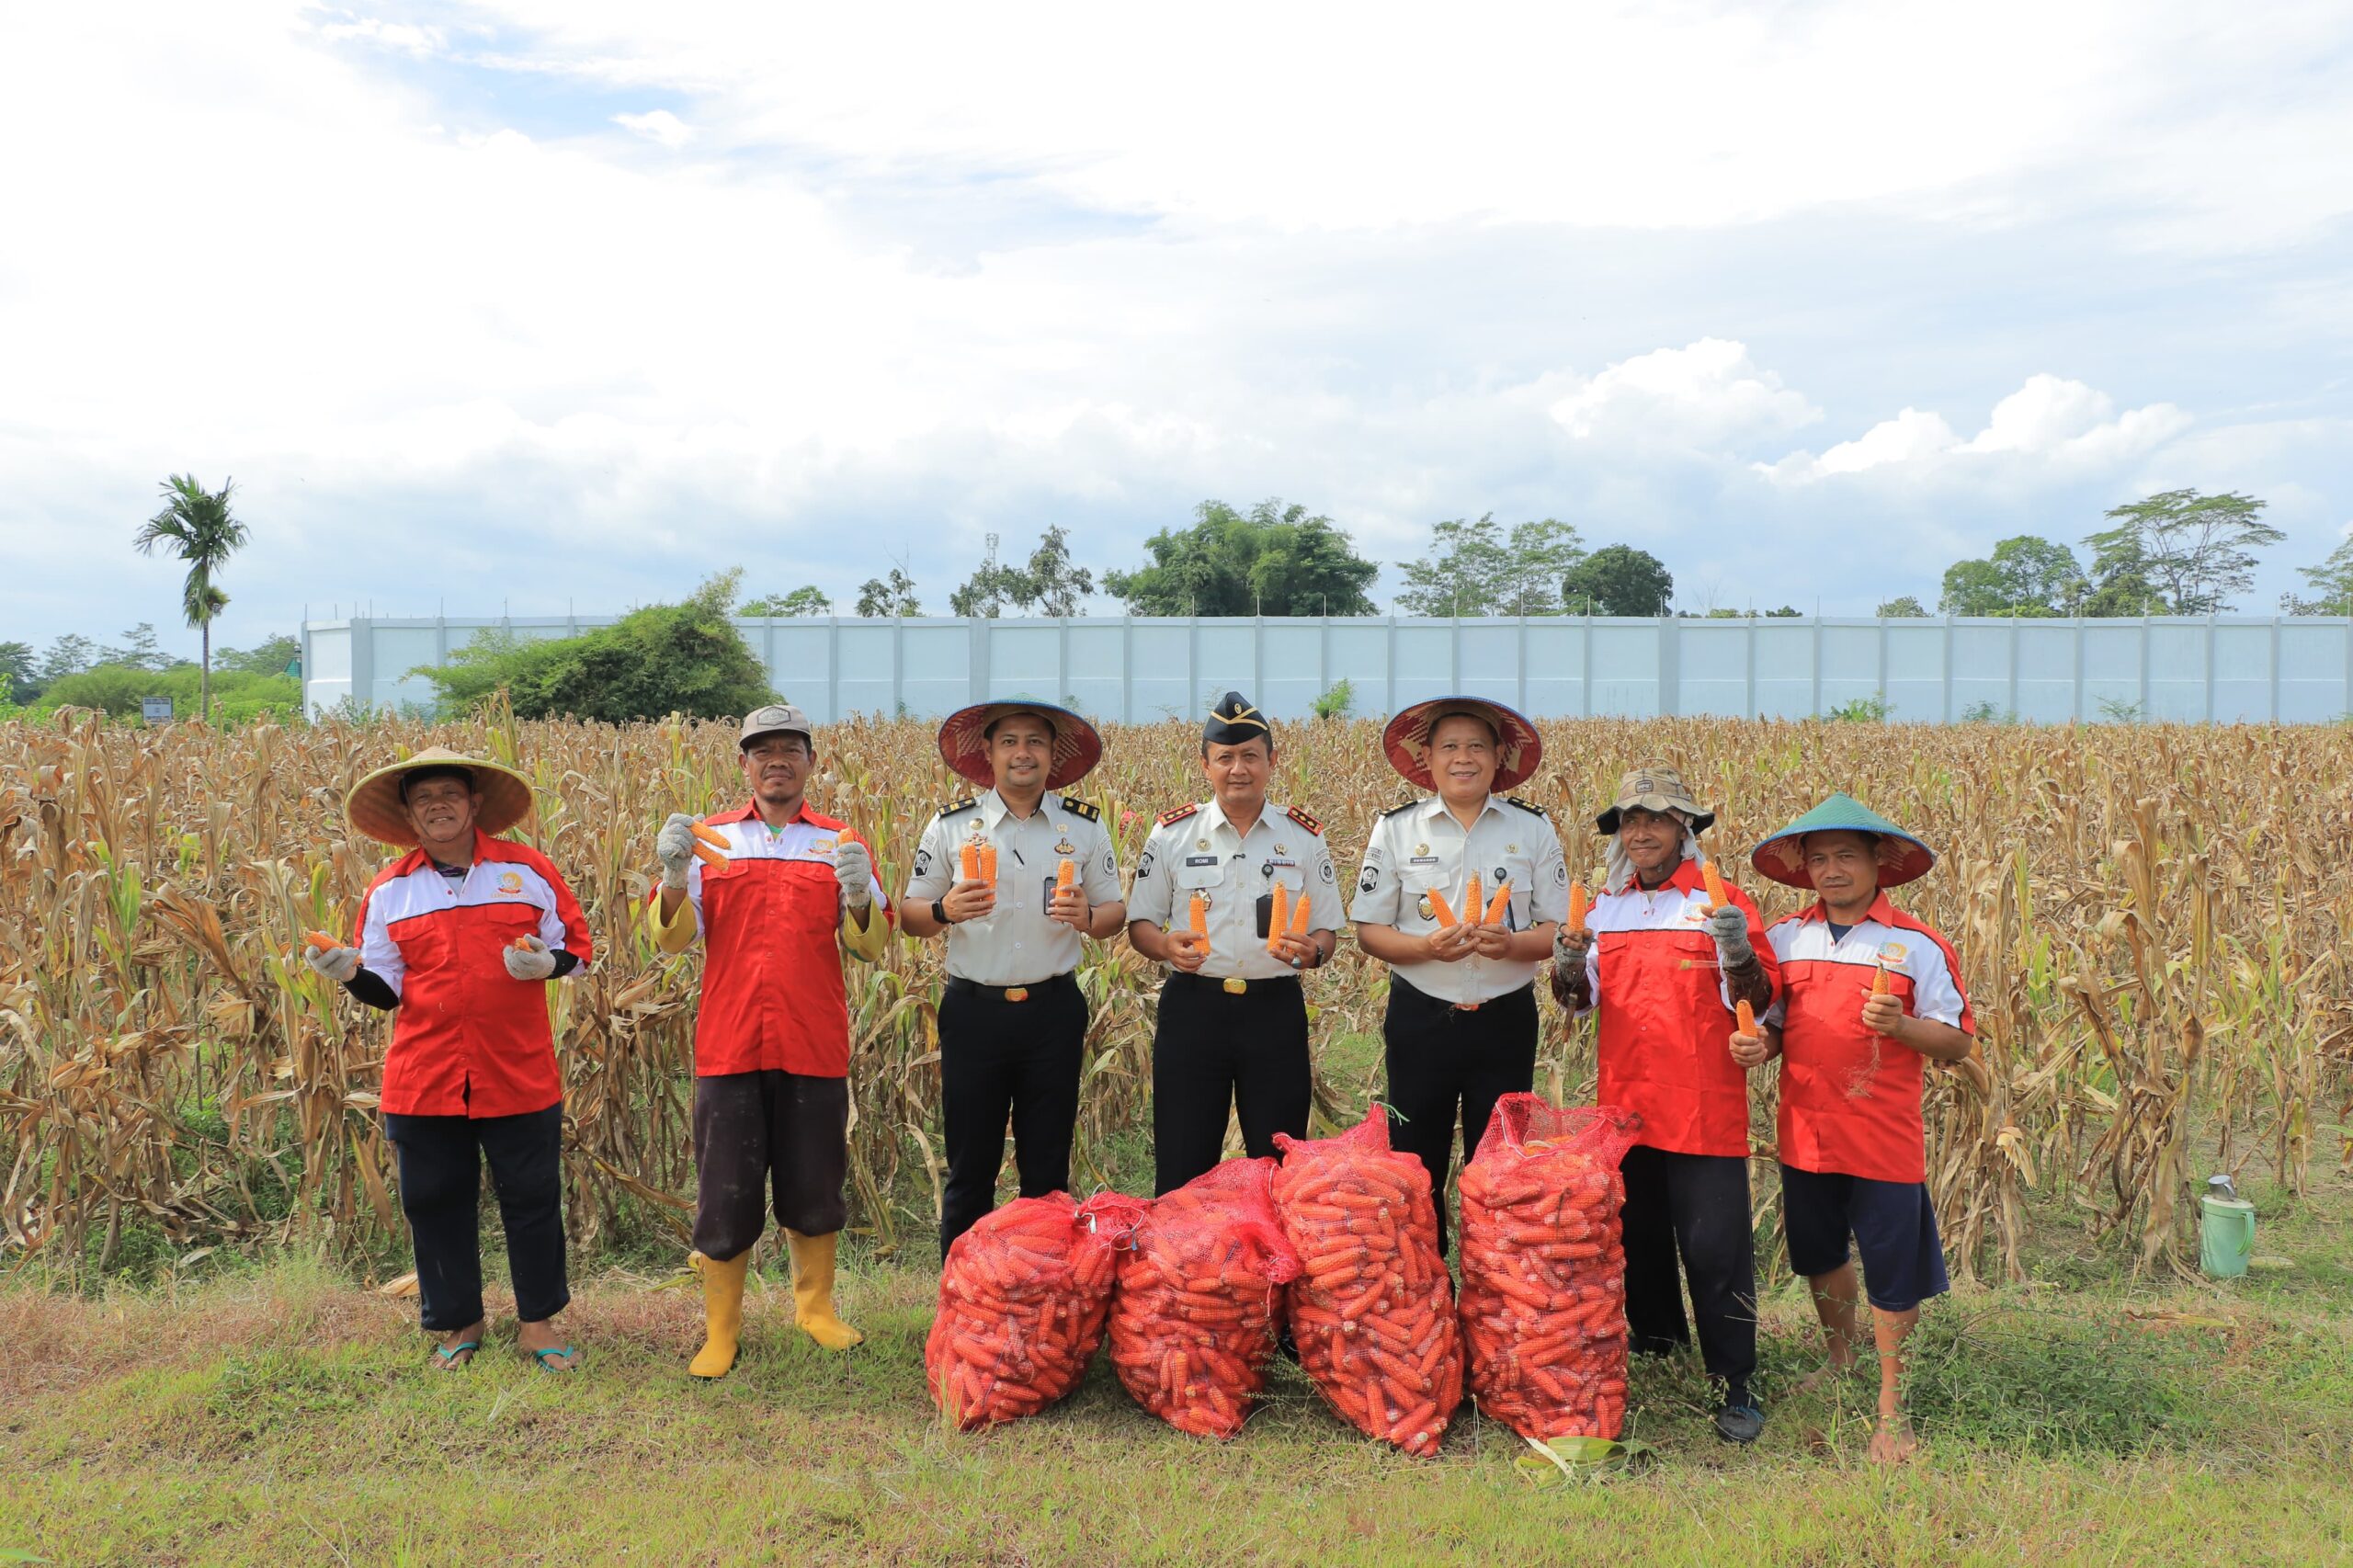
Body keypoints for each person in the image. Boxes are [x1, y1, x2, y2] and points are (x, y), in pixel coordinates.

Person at [304, 746, 591, 1372]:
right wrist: (346, 973)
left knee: (532, 1198)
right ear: (408, 813)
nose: (438, 805)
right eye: (423, 797)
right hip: (426, 1074)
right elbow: (385, 990)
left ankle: (538, 1324)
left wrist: (547, 964)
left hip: (517, 1068)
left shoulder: (527, 871)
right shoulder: (390, 890)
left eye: (449, 794)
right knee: (433, 1200)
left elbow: (576, 947)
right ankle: (459, 1321)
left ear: (475, 803)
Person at [648, 704, 892, 1379]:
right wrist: (673, 877)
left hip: (813, 1041)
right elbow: (670, 939)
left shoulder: (840, 840)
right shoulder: (710, 838)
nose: (775, 760)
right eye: (762, 750)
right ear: (743, 764)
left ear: (812, 762)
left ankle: (815, 1309)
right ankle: (720, 1330)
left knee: (815, 1184)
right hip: (729, 1043)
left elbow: (871, 946)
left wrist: (860, 894)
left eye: (789, 748)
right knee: (724, 1192)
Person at [1735, 792, 1975, 1464]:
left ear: (1879, 863)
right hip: (1805, 1132)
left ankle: (1892, 1410)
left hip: (1882, 1138)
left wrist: (1901, 1027)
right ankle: (1842, 1359)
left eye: (1846, 855)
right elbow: (1776, 1023)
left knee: (1892, 1274)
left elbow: (1957, 1043)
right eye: (1819, 858)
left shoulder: (1918, 947)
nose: (1831, 869)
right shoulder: (1785, 937)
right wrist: (1762, 1046)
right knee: (1818, 1255)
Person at [1550, 765, 1779, 1443]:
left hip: (1702, 1106)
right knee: (1640, 1240)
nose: (1641, 831)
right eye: (1630, 820)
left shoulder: (1720, 900)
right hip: (1626, 1106)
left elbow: (1760, 1001)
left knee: (1714, 1249)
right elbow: (1576, 1002)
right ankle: (1658, 1344)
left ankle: (1737, 1379)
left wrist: (1736, 950)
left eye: (1656, 819)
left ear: (1685, 827)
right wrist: (1566, 965)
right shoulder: (1604, 908)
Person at [901, 699, 1123, 1257]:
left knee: (1047, 1162)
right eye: (1009, 742)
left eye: (1035, 742)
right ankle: (962, 1289)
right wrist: (947, 908)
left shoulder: (1084, 827)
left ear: (1052, 755)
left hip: (1053, 1010)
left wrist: (1089, 920)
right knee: (970, 1160)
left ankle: (1046, 1282)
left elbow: (1115, 912)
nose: (1022, 753)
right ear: (989, 753)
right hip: (974, 1012)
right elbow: (910, 916)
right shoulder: (951, 826)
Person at [1349, 696, 1567, 1254]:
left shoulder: (1532, 830)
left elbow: (1561, 930)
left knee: (1500, 1163)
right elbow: (1369, 931)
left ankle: (1494, 1290)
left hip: (1505, 1019)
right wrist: (1425, 948)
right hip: (1422, 1017)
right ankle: (1424, 1288)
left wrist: (1514, 943)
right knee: (1414, 1159)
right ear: (1427, 757)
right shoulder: (1395, 830)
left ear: (1499, 756)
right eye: (1449, 746)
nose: (1463, 758)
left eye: (1476, 746)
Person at [1127, 691, 1339, 1195]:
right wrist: (1165, 948)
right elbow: (1140, 924)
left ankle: (1273, 1269)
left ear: (1271, 761)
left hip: (1274, 1011)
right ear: (1206, 765)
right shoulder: (1172, 834)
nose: (1238, 768)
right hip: (1194, 1009)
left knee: (1278, 1156)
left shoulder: (1303, 837)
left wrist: (1314, 953)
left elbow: (1328, 930)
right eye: (1225, 757)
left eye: (1250, 756)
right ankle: (1179, 1266)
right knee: (1184, 1153)